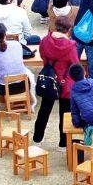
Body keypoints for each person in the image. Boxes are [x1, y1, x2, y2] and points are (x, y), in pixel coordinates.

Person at [32, 16, 77, 149]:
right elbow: (74, 64)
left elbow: (42, 55)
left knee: (44, 109)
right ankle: (63, 142)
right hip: (65, 81)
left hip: (49, 78)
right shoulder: (70, 46)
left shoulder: (45, 41)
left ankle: (37, 138)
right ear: (69, 29)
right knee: (65, 113)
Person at [68, 64, 93, 138]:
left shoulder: (73, 91)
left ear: (71, 77)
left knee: (80, 119)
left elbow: (74, 111)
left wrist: (76, 122)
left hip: (89, 119)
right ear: (85, 72)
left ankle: (87, 127)